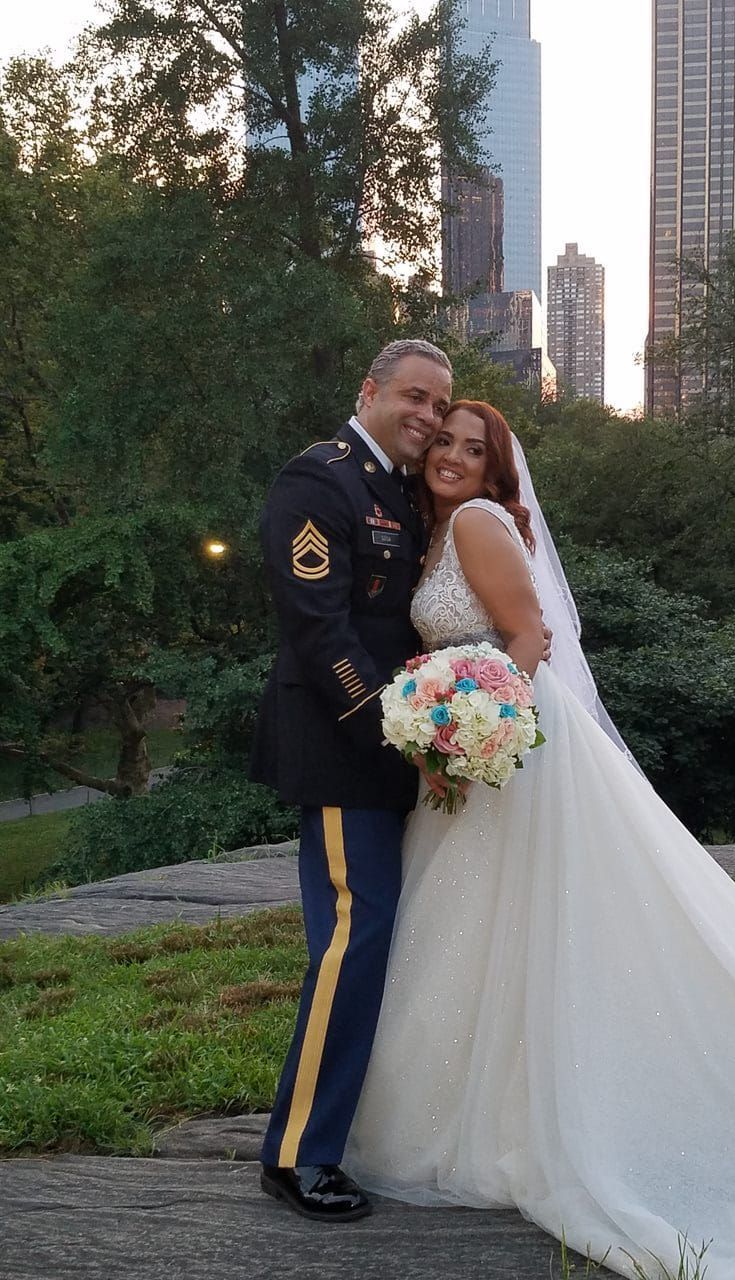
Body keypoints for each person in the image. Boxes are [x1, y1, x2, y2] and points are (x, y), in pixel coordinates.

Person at [345, 401, 735, 1280]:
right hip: (475, 749)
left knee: (520, 911)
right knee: (477, 924)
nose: (452, 456)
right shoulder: (433, 529)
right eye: (444, 441)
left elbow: (529, 636)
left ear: (494, 471)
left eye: (474, 450)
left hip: (512, 742)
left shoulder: (479, 523)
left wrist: (478, 729)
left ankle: (529, 1101)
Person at [249, 338, 453, 1220]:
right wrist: (388, 728)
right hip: (345, 750)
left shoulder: (403, 493)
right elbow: (318, 629)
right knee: (354, 938)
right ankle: (299, 1154)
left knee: (373, 940)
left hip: (397, 750)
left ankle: (340, 1130)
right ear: (369, 391)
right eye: (413, 396)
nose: (427, 416)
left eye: (439, 406)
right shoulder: (320, 482)